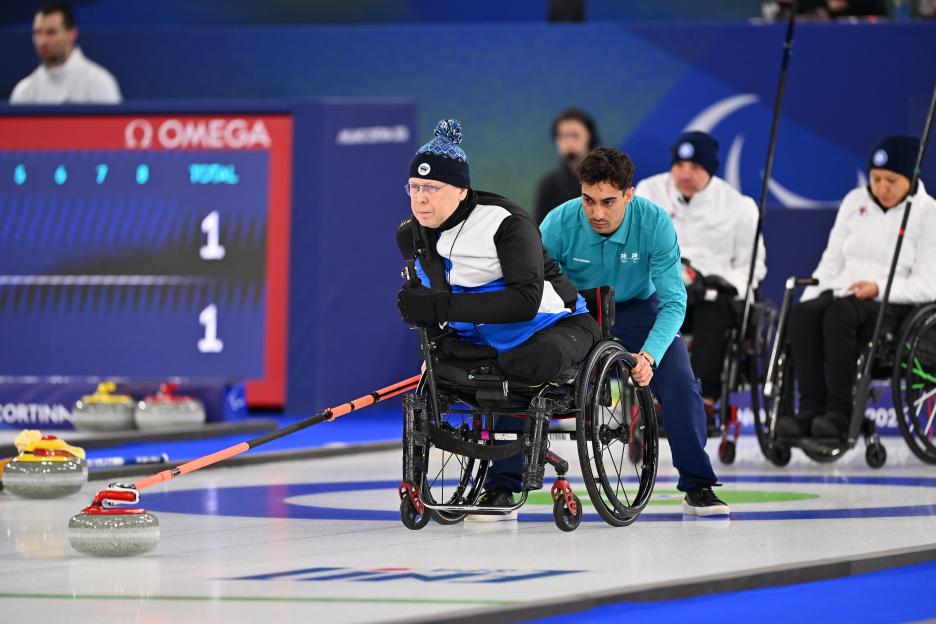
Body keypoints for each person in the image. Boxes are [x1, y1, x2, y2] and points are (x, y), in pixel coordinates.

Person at [396, 118, 600, 518]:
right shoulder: (411, 234)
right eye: (414, 188)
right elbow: (431, 300)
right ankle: (419, 485)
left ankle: (504, 484)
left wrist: (441, 308)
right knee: (438, 372)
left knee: (521, 365)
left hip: (552, 326)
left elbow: (525, 301)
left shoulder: (506, 223)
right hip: (482, 340)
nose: (420, 199)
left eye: (432, 189)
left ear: (460, 190)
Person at [540, 147, 728, 516]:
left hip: (638, 310)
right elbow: (534, 291)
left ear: (629, 194)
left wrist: (650, 355)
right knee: (524, 377)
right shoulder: (558, 224)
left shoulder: (655, 223)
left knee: (680, 384)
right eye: (588, 200)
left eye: (608, 202)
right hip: (576, 312)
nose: (596, 212)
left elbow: (674, 301)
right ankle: (502, 487)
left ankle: (698, 485)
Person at [779, 135, 936, 439]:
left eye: (891, 180)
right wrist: (809, 299)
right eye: (876, 179)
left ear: (911, 177)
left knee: (839, 315)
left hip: (893, 304)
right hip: (843, 292)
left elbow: (929, 284)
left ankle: (839, 413)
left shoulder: (928, 213)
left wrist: (877, 287)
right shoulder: (855, 202)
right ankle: (810, 410)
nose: (882, 187)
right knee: (802, 316)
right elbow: (830, 263)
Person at [635, 131, 766, 416]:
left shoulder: (740, 207)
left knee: (715, 310)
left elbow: (752, 266)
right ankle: (655, 397)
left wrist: (725, 285)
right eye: (679, 166)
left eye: (694, 167)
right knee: (652, 311)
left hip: (712, 293)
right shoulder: (648, 193)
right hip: (664, 287)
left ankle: (704, 401)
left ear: (710, 170)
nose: (685, 174)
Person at [10, 3, 122, 104]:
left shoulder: (100, 83)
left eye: (51, 32)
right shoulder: (23, 92)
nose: (42, 41)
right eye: (38, 33)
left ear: (71, 34)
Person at [534, 108, 600, 224]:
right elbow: (541, 229)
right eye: (563, 136)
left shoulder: (608, 178)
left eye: (575, 135)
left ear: (590, 137)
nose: (569, 142)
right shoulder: (549, 184)